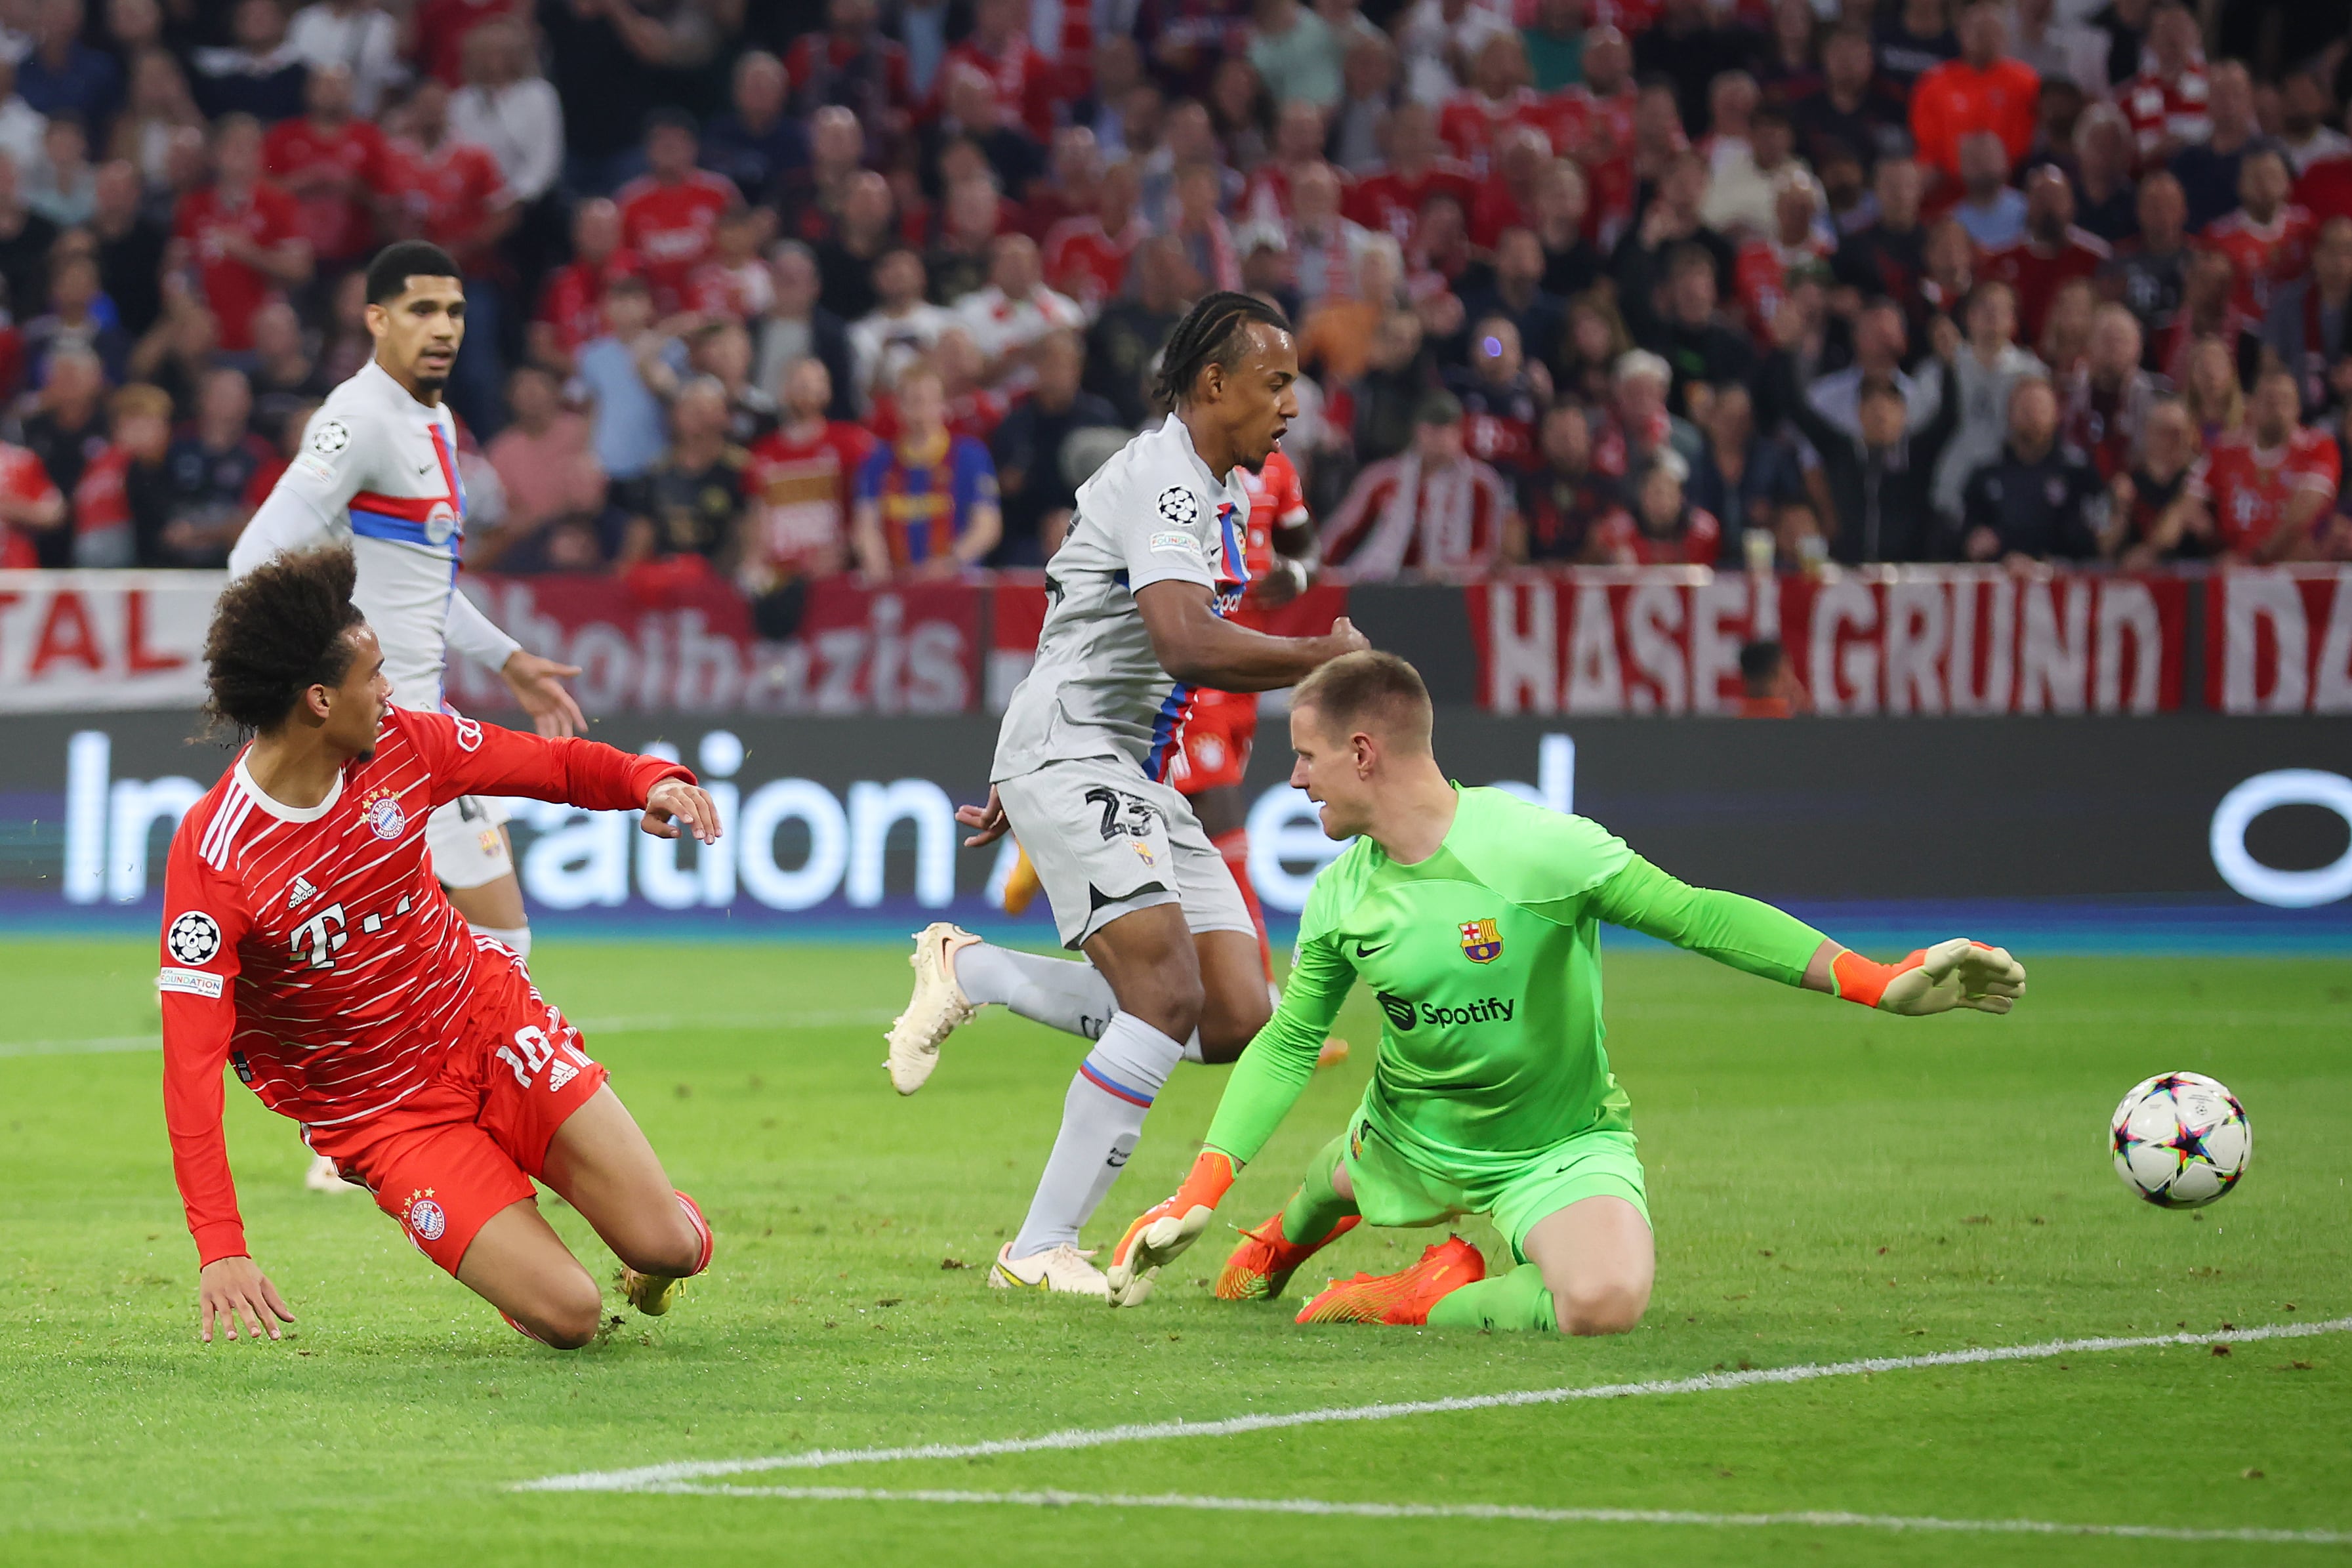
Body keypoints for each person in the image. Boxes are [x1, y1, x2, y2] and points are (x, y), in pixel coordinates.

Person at [1098, 651, 2027, 1322]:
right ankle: (1277, 1241)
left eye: (1306, 756)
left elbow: (1699, 914)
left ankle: (1421, 1296)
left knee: (1604, 1302)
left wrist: (1879, 981)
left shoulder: (1539, 848)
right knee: (1331, 1183)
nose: (1294, 779)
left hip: (1554, 1145)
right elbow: (1293, 1038)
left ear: (1365, 752)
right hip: (1408, 1132)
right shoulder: (1343, 891)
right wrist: (1200, 1189)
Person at [880, 292, 1369, 1296]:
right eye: (1276, 384)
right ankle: (1037, 1247)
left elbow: (1078, 619)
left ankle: (977, 973)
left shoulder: (1218, 488)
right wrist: (1320, 655)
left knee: (1234, 1013)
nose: (1291, 406)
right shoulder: (1169, 484)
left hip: (1116, 762)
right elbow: (1183, 640)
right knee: (1165, 992)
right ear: (1213, 384)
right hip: (1079, 754)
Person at [162, 545, 720, 1348]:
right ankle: (517, 1260)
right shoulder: (217, 855)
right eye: (375, 674)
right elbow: (189, 1065)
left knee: (668, 1245)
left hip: (487, 1026)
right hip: (382, 1113)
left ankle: (649, 1243)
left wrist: (648, 780)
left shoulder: (405, 744)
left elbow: (548, 764)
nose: (391, 690)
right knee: (571, 1317)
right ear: (320, 700)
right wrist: (221, 1245)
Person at [226, 242, 588, 1189]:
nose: (443, 328)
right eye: (421, 309)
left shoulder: (434, 422)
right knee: (495, 936)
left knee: (470, 937)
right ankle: (374, 1125)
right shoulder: (358, 418)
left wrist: (508, 659)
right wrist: (329, 675)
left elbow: (426, 583)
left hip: (418, 728)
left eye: (456, 312)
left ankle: (371, 1120)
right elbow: (257, 553)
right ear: (375, 317)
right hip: (379, 735)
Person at [1768, 300, 1964, 562]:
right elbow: (1795, 408)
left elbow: (1949, 419)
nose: (1880, 415)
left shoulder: (1918, 454)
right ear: (1858, 415)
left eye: (1888, 408)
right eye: (1871, 408)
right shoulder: (1841, 450)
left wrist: (1948, 364)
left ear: (1904, 415)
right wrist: (1787, 351)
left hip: (1907, 576)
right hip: (1850, 573)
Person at [1323, 390, 1517, 575]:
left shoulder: (1481, 483)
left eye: (1447, 430)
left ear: (1459, 433)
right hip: (1383, 584)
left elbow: (1489, 550)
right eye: (1432, 429)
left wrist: (1450, 572)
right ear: (1417, 431)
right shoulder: (1382, 478)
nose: (1439, 438)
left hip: (1455, 589)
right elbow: (1343, 530)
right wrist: (1318, 566)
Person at [850, 360, 1000, 579]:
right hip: (896, 586)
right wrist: (877, 566)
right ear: (897, 407)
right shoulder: (876, 463)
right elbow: (866, 526)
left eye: (928, 402)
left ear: (943, 404)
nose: (921, 412)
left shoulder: (971, 455)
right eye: (913, 402)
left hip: (959, 582)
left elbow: (987, 525)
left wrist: (949, 563)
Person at [2189, 367, 2343, 561]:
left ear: (2298, 408)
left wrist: (2255, 559)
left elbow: (2304, 512)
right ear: (2251, 406)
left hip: (2297, 571)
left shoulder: (2318, 446)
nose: (2277, 408)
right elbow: (2189, 503)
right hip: (2234, 567)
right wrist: (2216, 545)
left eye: (2285, 401)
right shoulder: (2225, 449)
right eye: (2269, 400)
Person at [1960, 376, 2107, 560]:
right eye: (2025, 408)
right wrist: (1974, 540)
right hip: (2001, 575)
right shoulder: (1986, 472)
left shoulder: (2077, 472)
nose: (2033, 415)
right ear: (2009, 414)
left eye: (2040, 408)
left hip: (2061, 579)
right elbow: (1967, 531)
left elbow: (2090, 538)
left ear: (2056, 414)